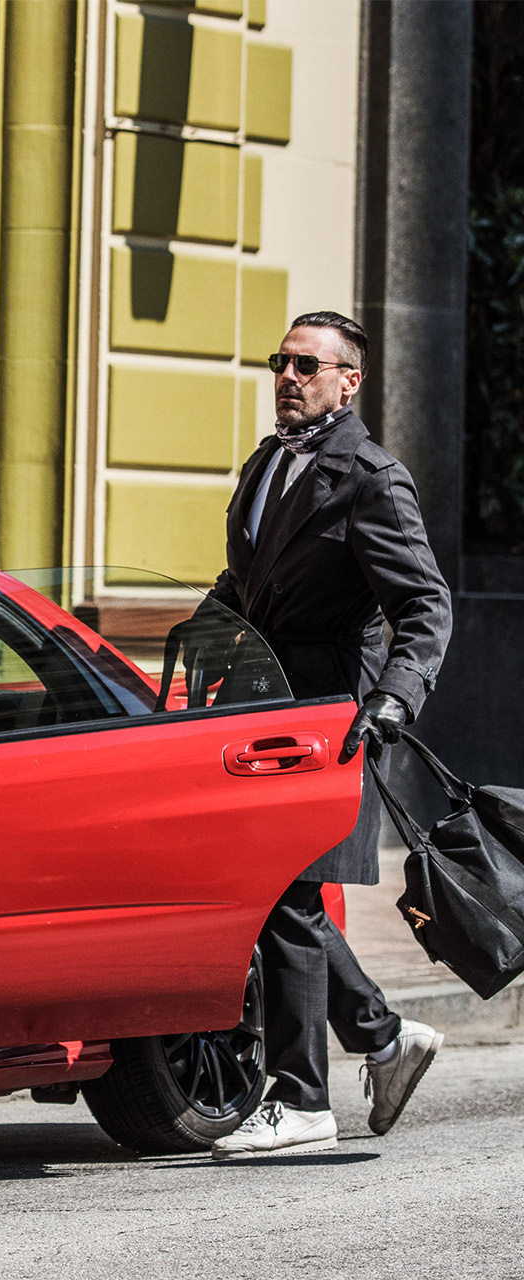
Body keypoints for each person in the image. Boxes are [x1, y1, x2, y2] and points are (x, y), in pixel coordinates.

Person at [196, 312, 452, 1159]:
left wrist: (393, 701)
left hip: (329, 711)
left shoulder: (371, 478)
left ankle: (304, 1095)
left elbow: (424, 605)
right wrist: (193, 639)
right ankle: (382, 1039)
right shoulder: (269, 462)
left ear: (351, 382)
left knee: (288, 889)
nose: (288, 375)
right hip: (263, 703)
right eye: (281, 361)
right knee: (277, 889)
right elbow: (247, 583)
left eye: (308, 364)